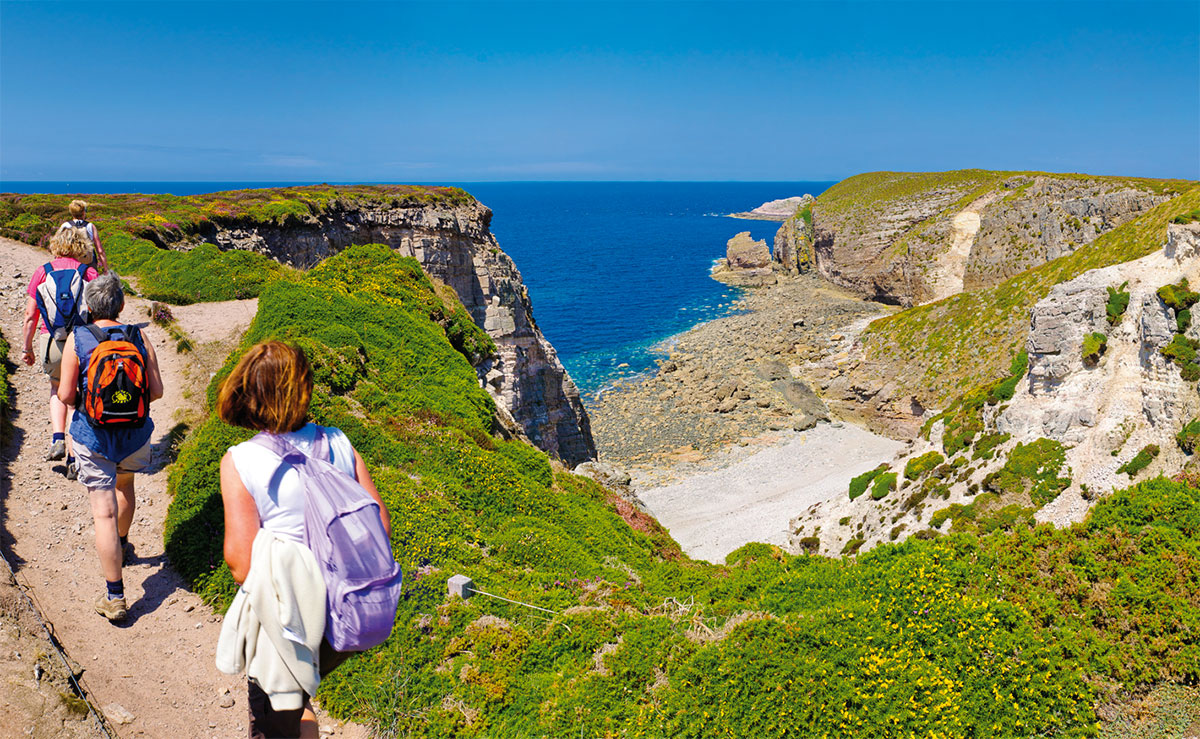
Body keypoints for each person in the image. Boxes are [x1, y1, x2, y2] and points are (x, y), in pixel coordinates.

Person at [216, 341, 389, 739]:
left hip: (288, 620)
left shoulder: (241, 460)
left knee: (274, 720)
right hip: (346, 615)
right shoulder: (340, 443)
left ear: (250, 392)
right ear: (304, 389)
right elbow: (380, 523)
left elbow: (240, 563)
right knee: (298, 695)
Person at [57, 273, 163, 621]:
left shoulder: (79, 338)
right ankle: (124, 543)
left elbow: (65, 395)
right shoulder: (138, 335)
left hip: (94, 436)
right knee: (125, 487)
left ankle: (114, 597)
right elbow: (157, 391)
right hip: (134, 434)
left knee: (102, 511)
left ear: (88, 305)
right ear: (120, 305)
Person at [22, 225, 99, 465]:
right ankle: (75, 457)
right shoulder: (89, 273)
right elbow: (98, 313)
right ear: (81, 247)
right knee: (79, 394)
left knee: (57, 389)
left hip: (52, 340)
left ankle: (58, 438)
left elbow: (30, 315)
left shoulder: (42, 272)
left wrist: (27, 348)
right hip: (83, 341)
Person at [61, 199, 107, 271]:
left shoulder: (65, 226)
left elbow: (60, 247)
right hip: (89, 262)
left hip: (70, 264)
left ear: (72, 212)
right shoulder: (90, 226)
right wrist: (105, 269)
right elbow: (100, 251)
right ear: (83, 212)